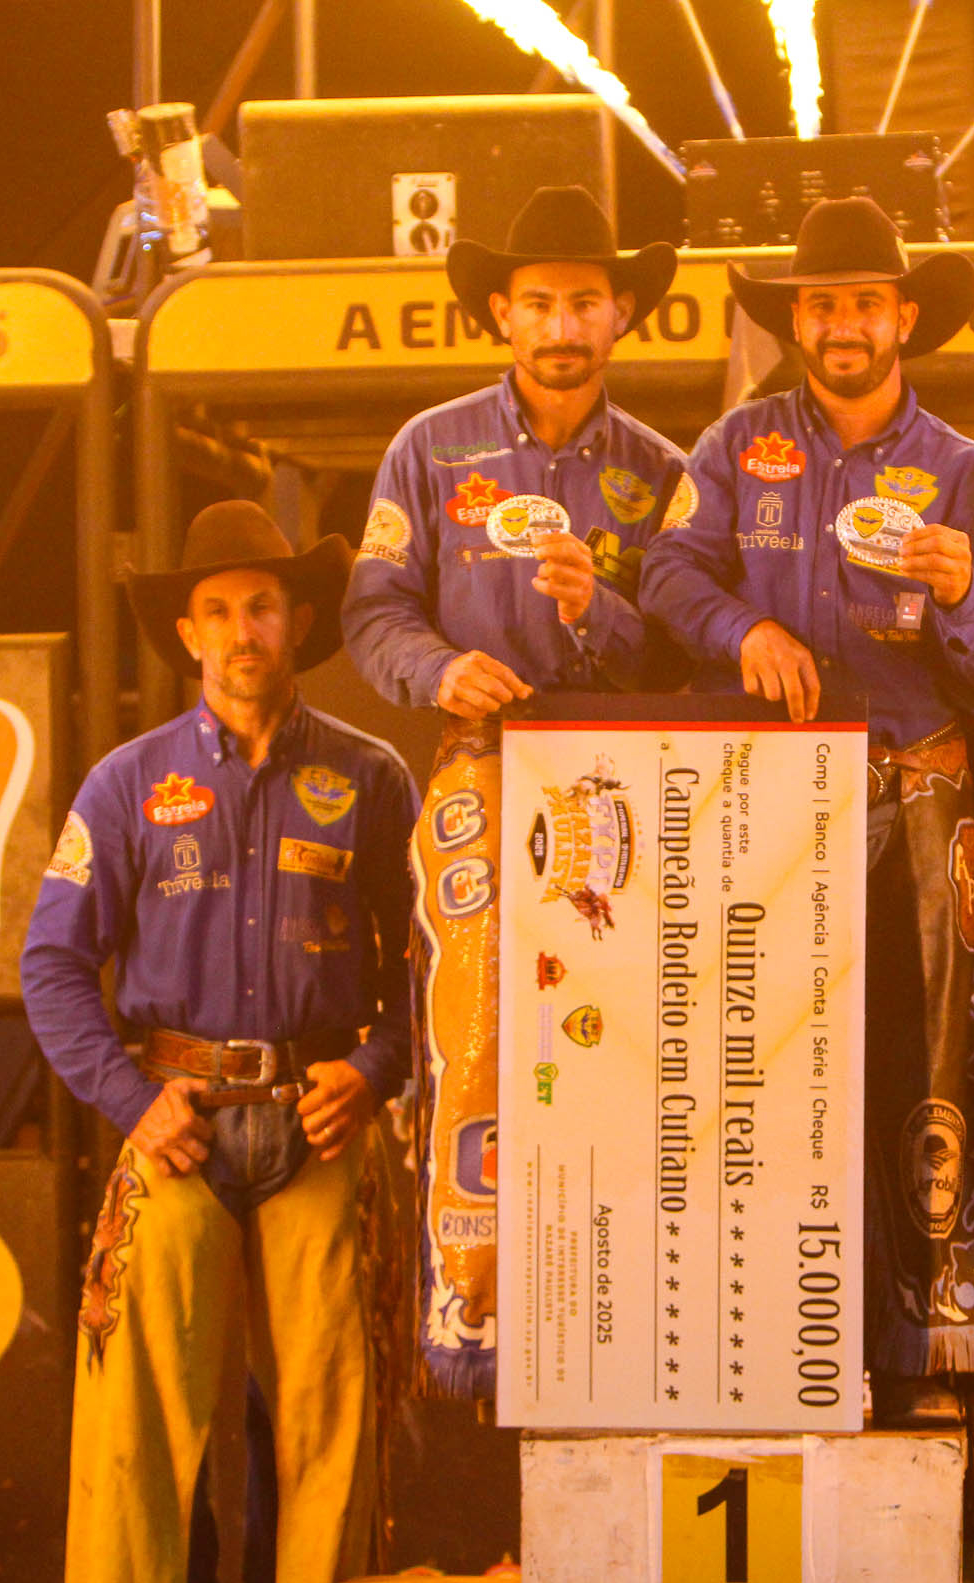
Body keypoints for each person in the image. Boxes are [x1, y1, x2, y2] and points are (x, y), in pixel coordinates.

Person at [639, 194, 974, 1583]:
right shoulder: (730, 448)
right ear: (794, 318)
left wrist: (953, 595)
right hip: (770, 801)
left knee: (929, 1072)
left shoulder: (970, 474)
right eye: (820, 303)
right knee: (769, 1074)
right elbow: (666, 569)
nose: (844, 323)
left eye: (866, 299)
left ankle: (930, 1355)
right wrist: (741, 623)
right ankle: (778, 1350)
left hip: (923, 793)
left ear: (905, 313)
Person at [24, 499, 417, 1583]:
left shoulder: (374, 778)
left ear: (298, 617)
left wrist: (377, 1066)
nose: (243, 630)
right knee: (136, 1426)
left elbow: (436, 963)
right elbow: (50, 963)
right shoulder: (125, 787)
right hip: (175, 1127)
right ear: (189, 635)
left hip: (322, 1125)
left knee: (332, 1427)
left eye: (262, 605)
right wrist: (131, 1100)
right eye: (218, 612)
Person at [341, 184, 685, 1398]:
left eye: (584, 300)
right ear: (500, 311)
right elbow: (371, 608)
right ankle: (476, 1315)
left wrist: (607, 619)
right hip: (479, 770)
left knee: (627, 1056)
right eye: (537, 299)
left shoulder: (665, 471)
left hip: (622, 782)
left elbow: (690, 647)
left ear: (622, 316)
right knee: (477, 1038)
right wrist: (441, 668)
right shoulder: (428, 448)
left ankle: (632, 1306)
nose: (561, 322)